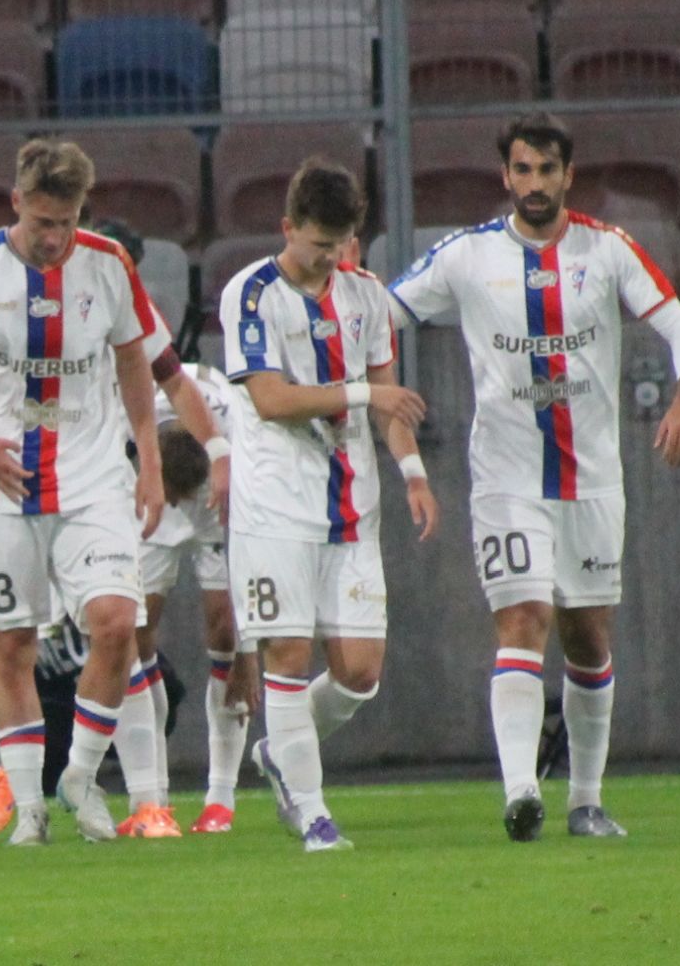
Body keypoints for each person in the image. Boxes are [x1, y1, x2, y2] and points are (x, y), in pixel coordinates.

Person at [386, 113, 680, 841]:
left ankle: (586, 801)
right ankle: (521, 790)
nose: (533, 183)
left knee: (588, 639)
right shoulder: (467, 256)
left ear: (568, 175)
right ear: (506, 176)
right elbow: (384, 309)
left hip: (591, 480)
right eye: (521, 170)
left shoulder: (609, 250)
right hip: (505, 478)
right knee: (522, 619)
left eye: (546, 170)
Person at [0, 138, 165, 846]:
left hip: (94, 473)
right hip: (1, 477)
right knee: (10, 644)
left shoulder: (109, 264)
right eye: (43, 220)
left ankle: (79, 773)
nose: (54, 237)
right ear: (15, 202)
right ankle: (30, 808)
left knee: (115, 624)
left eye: (67, 221)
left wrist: (150, 460)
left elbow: (134, 358)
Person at [219, 157, 436, 852]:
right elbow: (270, 399)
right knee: (286, 650)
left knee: (359, 673)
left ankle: (282, 753)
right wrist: (367, 395)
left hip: (352, 507)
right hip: (275, 504)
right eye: (317, 244)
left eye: (341, 244)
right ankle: (313, 814)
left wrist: (412, 469)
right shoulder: (250, 295)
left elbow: (390, 399)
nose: (329, 258)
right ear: (288, 228)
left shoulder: (367, 296)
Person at [135, 364, 261, 836]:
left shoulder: (237, 435)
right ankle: (154, 797)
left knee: (225, 630)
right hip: (147, 487)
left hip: (221, 492)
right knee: (136, 632)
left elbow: (250, 562)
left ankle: (220, 801)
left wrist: (248, 654)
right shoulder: (129, 410)